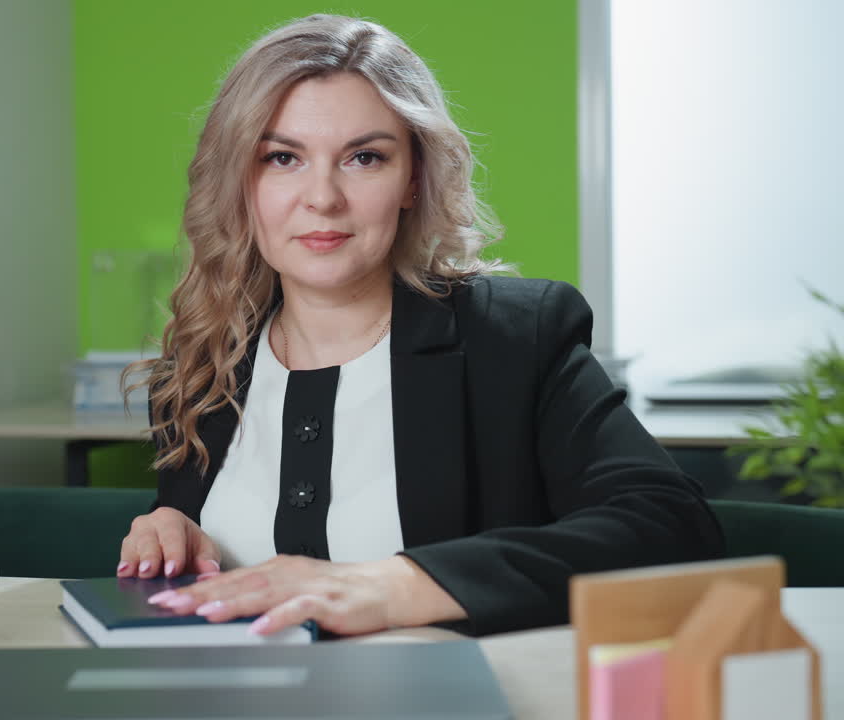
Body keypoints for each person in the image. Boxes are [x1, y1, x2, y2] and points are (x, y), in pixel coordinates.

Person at [117, 14, 724, 638]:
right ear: (241, 183)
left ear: (412, 177)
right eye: (281, 157)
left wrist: (394, 585)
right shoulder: (204, 363)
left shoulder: (516, 340)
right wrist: (174, 531)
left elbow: (671, 528)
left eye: (363, 157)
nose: (322, 197)